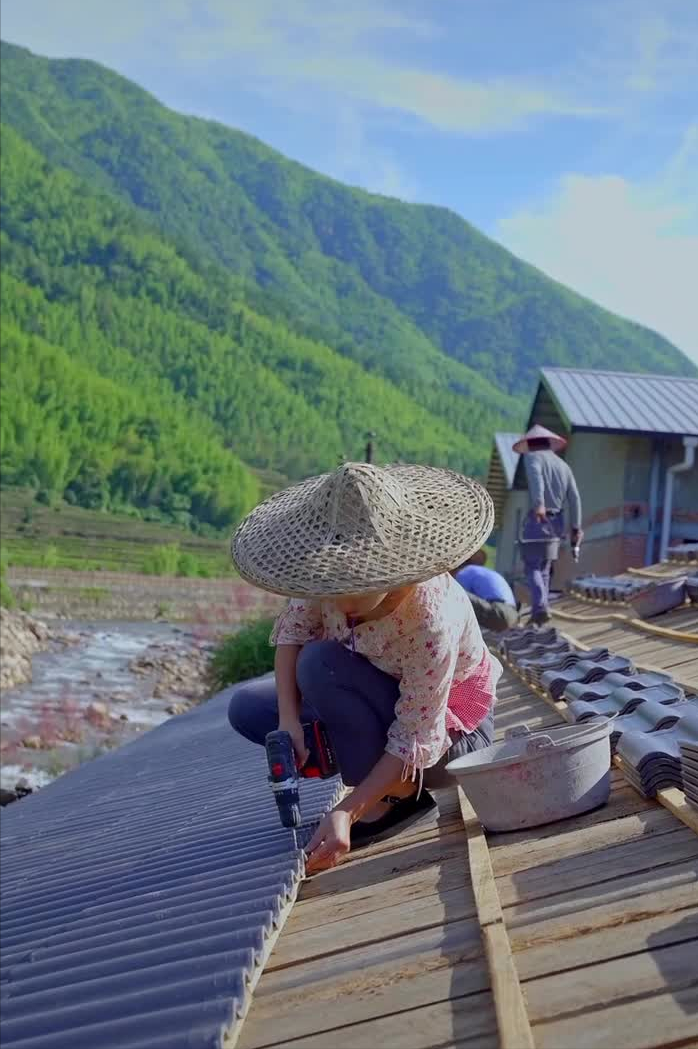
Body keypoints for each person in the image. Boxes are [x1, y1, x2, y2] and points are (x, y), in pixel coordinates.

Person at [225, 462, 502, 874]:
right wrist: (288, 722)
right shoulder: (325, 578)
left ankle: (397, 797)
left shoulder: (429, 621)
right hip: (376, 694)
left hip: (451, 737)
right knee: (249, 709)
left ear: (392, 568)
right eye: (330, 589)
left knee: (320, 665)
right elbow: (292, 634)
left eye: (353, 588)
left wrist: (347, 813)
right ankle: (367, 765)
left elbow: (414, 736)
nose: (336, 603)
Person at [513, 425, 583, 626]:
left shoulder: (532, 457)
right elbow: (575, 498)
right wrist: (576, 527)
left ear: (531, 444)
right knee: (545, 566)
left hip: (539, 518)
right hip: (558, 520)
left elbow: (536, 480)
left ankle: (541, 609)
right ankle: (539, 611)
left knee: (532, 564)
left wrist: (539, 505)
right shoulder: (563, 466)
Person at [451, 549, 518, 632]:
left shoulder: (466, 571)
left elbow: (457, 597)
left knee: (453, 591)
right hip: (513, 615)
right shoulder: (484, 571)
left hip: (500, 613)